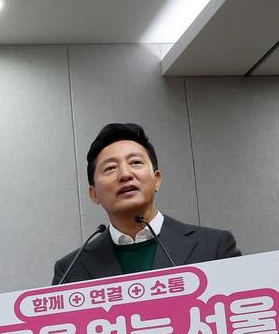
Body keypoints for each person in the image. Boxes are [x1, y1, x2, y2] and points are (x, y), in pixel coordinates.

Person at [52, 122, 240, 285]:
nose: (125, 174)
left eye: (135, 162)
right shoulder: (70, 270)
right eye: (110, 168)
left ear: (156, 180)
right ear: (94, 194)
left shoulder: (213, 247)